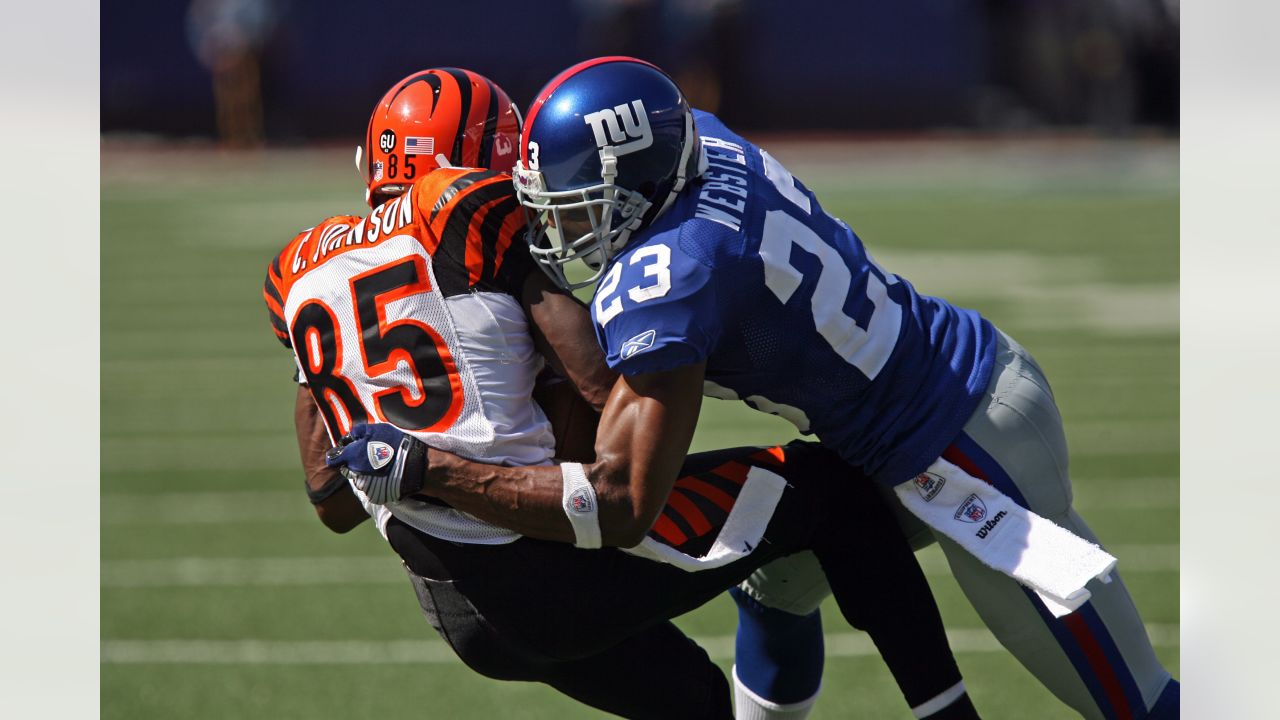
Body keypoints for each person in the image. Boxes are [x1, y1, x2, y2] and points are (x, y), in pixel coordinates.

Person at [337, 56, 1179, 720]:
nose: (564, 231)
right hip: (904, 426)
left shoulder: (672, 275)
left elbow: (619, 488)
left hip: (966, 448)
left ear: (636, 184)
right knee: (776, 580)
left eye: (581, 207)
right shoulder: (701, 138)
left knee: (1132, 701)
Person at [266, 68, 981, 719]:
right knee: (835, 497)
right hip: (547, 563)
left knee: (699, 702)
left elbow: (329, 500)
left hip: (458, 612)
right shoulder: (464, 205)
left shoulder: (300, 268)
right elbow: (603, 385)